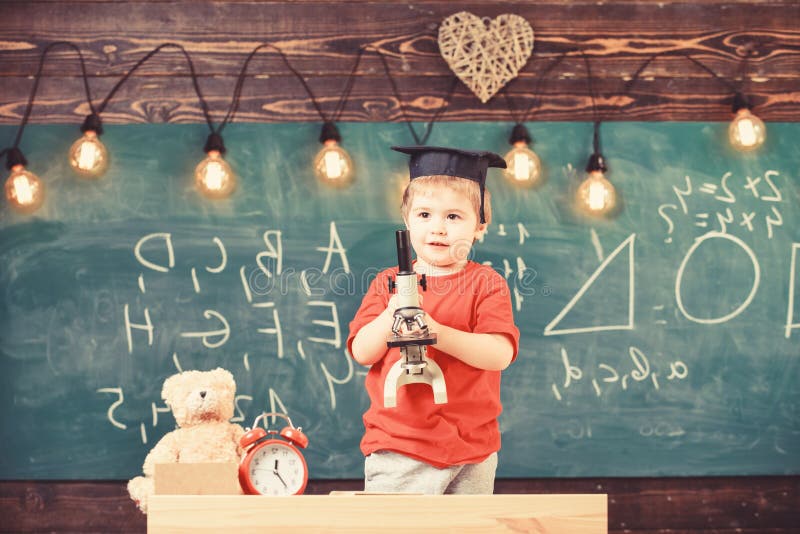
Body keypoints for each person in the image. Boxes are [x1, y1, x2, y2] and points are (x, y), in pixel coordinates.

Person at [347, 145, 521, 494]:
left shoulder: (486, 284)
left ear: (480, 226)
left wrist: (437, 332)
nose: (438, 228)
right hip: (400, 447)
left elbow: (499, 354)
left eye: (453, 217)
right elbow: (362, 352)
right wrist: (392, 313)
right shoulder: (387, 283)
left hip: (473, 450)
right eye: (425, 214)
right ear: (407, 220)